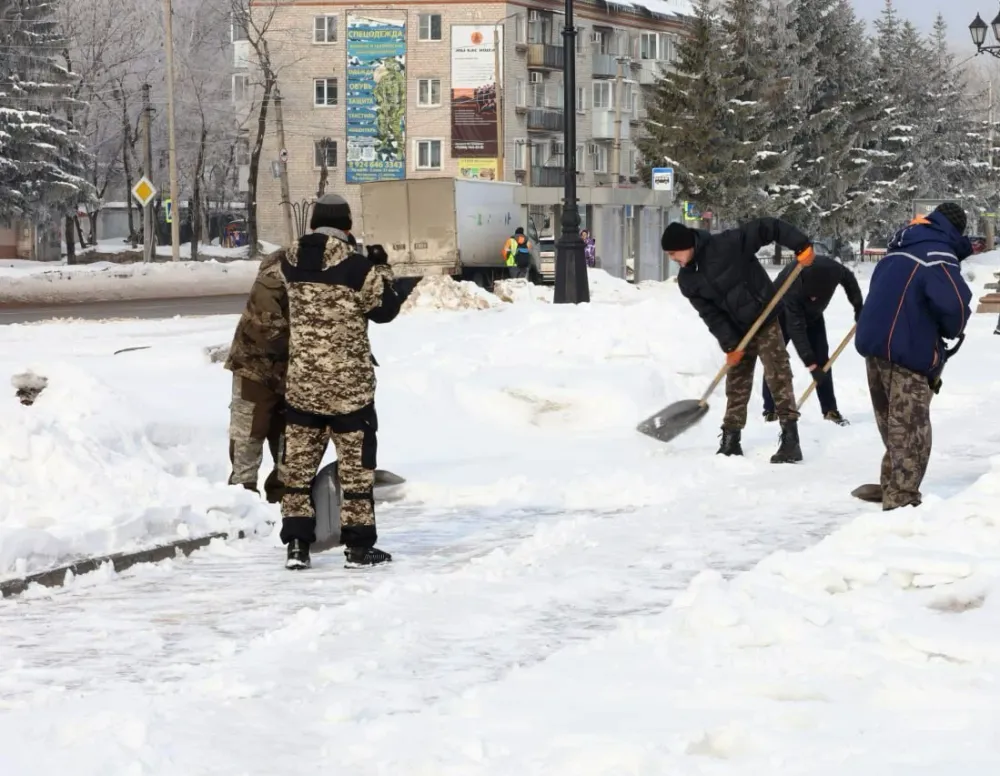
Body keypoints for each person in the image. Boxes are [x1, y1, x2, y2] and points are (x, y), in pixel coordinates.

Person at [279, 193, 403, 570]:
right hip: (351, 391)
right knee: (356, 472)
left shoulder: (288, 262)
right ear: (348, 226)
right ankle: (359, 548)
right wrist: (381, 268)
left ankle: (297, 546)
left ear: (313, 223)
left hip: (303, 386)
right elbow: (386, 310)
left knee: (297, 471)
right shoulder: (357, 267)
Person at [661, 218, 816, 463]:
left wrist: (800, 245)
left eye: (673, 253)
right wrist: (730, 345)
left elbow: (768, 227)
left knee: (778, 374)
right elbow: (711, 315)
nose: (672, 258)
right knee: (737, 382)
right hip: (737, 331)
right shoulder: (687, 280)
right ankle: (731, 439)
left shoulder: (727, 244)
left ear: (687, 244)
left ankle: (790, 439)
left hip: (764, 319)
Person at [855, 202, 973, 511]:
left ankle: (891, 482)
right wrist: (954, 328)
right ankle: (902, 498)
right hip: (905, 347)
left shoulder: (901, 246)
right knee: (911, 424)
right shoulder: (936, 252)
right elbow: (954, 304)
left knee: (891, 420)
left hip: (875, 344)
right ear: (955, 230)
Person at [762, 255, 864, 426]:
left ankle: (830, 409)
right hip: (779, 312)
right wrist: (810, 363)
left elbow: (849, 280)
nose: (815, 299)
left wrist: (858, 307)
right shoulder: (793, 285)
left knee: (823, 360)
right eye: (811, 296)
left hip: (813, 316)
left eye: (819, 297)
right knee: (776, 359)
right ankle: (771, 410)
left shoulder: (834, 270)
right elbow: (797, 331)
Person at [223, 249, 289, 503]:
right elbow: (267, 324)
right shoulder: (276, 275)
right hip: (255, 365)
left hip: (293, 369)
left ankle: (286, 495)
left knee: (291, 433)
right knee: (250, 431)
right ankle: (243, 498)